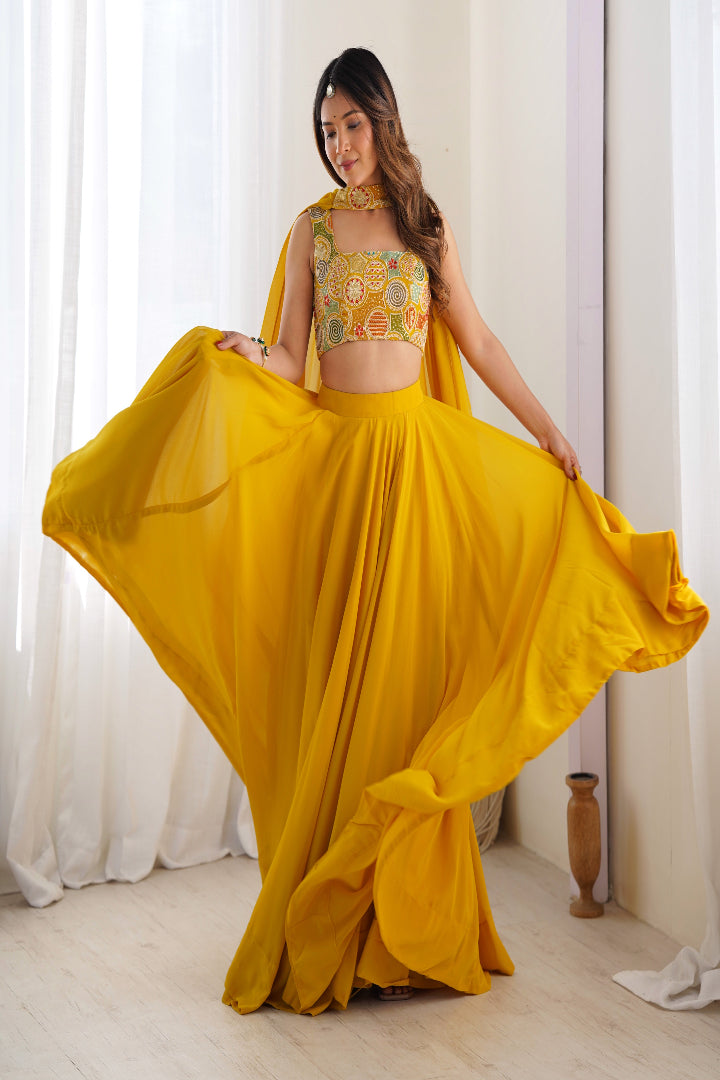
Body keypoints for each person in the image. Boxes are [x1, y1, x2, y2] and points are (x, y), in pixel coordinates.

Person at [42, 48, 708, 1016]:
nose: (339, 144)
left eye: (351, 124)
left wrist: (548, 431)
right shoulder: (309, 231)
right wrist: (245, 353)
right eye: (327, 131)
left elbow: (477, 341)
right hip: (343, 480)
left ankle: (407, 936)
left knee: (404, 695)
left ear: (382, 122)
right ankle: (340, 924)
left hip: (419, 472)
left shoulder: (425, 224)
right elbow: (290, 356)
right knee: (343, 691)